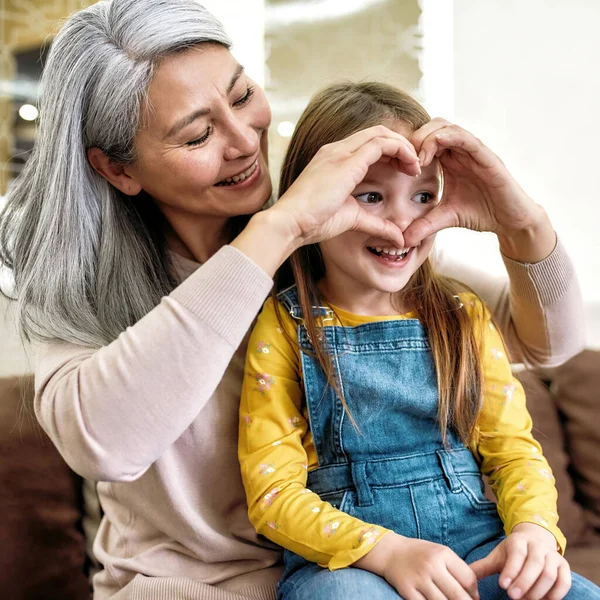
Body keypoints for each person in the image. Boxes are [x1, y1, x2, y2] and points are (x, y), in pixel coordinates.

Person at [0, 0, 583, 598]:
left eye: (242, 94)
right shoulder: (82, 292)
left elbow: (548, 342)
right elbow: (107, 442)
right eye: (198, 133)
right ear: (119, 170)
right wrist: (278, 232)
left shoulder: (334, 244)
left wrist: (521, 220)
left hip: (366, 574)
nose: (242, 141)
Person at [238, 81, 599, 600]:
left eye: (423, 197)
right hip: (354, 560)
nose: (403, 222)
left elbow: (512, 450)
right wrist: (388, 552)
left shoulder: (463, 314)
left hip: (476, 548)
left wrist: (536, 530)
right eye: (371, 196)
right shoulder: (285, 323)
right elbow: (273, 494)